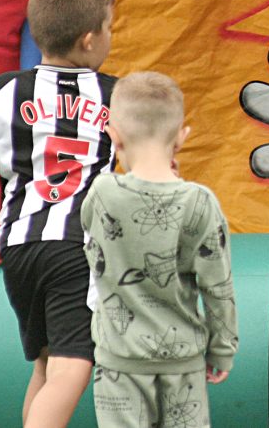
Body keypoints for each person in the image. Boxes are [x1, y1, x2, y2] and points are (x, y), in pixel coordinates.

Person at [0, 0, 116, 428]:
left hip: (18, 246)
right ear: (89, 40)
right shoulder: (115, 95)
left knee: (47, 364)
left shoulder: (3, 89)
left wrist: (22, 153)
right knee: (75, 365)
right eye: (110, 28)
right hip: (76, 245)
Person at [81, 71, 238, 428]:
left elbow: (91, 234)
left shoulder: (103, 193)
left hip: (118, 363)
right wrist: (222, 349)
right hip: (183, 363)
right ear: (182, 138)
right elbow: (218, 286)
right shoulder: (200, 203)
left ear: (113, 135)